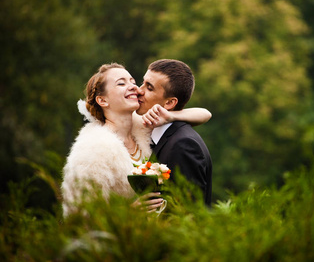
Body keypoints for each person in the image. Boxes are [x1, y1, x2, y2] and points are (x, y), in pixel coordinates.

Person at [61, 63, 211, 217]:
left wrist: (171, 116)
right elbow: (80, 214)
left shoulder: (143, 126)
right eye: (121, 83)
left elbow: (205, 114)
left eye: (132, 81)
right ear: (103, 101)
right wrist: (129, 212)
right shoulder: (93, 149)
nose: (135, 88)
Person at [136, 59, 213, 206]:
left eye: (149, 88)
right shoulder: (154, 133)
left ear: (170, 103)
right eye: (143, 82)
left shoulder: (183, 145)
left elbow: (187, 212)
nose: (139, 90)